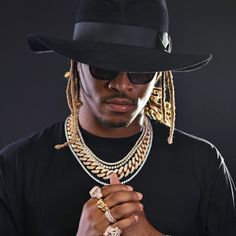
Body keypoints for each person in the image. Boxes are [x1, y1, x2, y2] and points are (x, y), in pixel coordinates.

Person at [0, 0, 235, 235]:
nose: (121, 85)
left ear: (158, 75)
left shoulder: (203, 164)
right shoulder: (16, 167)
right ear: (77, 65)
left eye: (140, 71)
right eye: (103, 67)